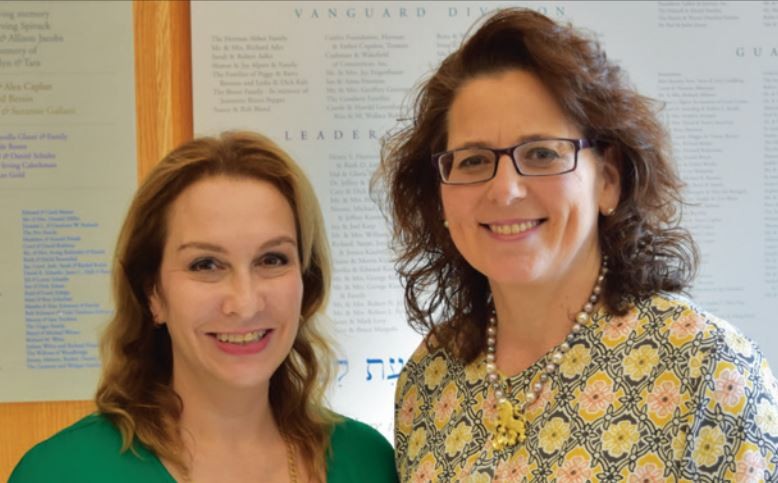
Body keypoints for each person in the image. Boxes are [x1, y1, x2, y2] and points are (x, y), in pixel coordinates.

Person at [378, 8, 778, 481]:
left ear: (608, 180)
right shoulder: (428, 379)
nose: (504, 190)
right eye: (473, 160)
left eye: (541, 153)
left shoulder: (708, 369)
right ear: (440, 197)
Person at [11, 132, 398, 483]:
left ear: (306, 281)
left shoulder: (368, 462)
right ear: (152, 294)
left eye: (272, 260)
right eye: (206, 265)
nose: (245, 304)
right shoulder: (59, 473)